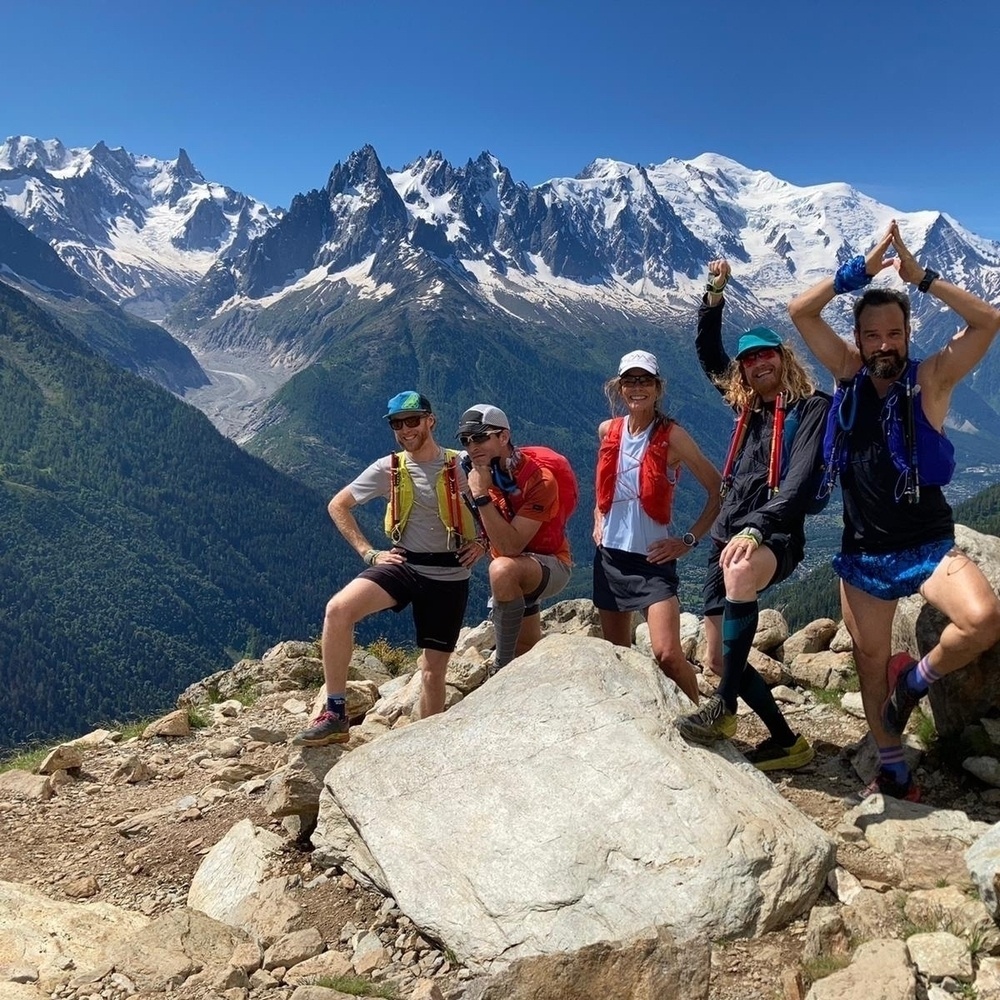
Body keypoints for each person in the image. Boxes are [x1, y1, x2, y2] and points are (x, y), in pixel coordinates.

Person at [788, 220, 1000, 799]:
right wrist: (855, 273)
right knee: (869, 660)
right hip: (863, 552)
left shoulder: (930, 380)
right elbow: (800, 312)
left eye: (895, 334)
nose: (884, 344)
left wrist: (921, 276)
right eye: (873, 335)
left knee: (983, 620)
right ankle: (892, 765)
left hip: (929, 546)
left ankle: (918, 680)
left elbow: (988, 321)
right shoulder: (848, 374)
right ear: (857, 339)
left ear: (908, 335)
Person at [675, 259, 829, 771]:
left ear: (784, 359)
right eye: (749, 360)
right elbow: (707, 354)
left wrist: (758, 526)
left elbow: (800, 482)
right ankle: (787, 742)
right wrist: (713, 296)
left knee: (741, 570)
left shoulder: (811, 408)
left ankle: (724, 707)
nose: (758, 364)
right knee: (720, 658)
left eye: (766, 355)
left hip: (773, 535)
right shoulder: (748, 408)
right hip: (726, 537)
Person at [294, 391, 483, 746]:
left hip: (450, 572)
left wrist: (485, 543)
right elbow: (339, 505)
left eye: (413, 421)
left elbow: (498, 503)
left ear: (431, 420)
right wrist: (369, 553)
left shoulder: (464, 464)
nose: (406, 430)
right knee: (338, 610)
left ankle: (429, 744)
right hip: (404, 563)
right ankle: (335, 713)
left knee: (432, 671)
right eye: (398, 424)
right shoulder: (389, 468)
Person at [593, 349, 721, 703]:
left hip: (652, 562)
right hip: (609, 560)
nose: (637, 388)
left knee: (667, 654)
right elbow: (603, 483)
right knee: (616, 654)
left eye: (645, 381)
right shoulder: (608, 431)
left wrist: (688, 540)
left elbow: (717, 489)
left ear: (657, 388)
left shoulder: (673, 437)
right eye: (630, 381)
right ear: (619, 388)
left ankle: (699, 719)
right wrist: (597, 518)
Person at [458, 404, 574, 673]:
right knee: (529, 656)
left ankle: (501, 669)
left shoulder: (539, 479)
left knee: (502, 569)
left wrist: (481, 495)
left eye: (480, 437)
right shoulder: (474, 472)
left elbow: (511, 547)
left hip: (551, 564)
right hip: (517, 569)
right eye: (466, 440)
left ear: (503, 437)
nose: (472, 446)